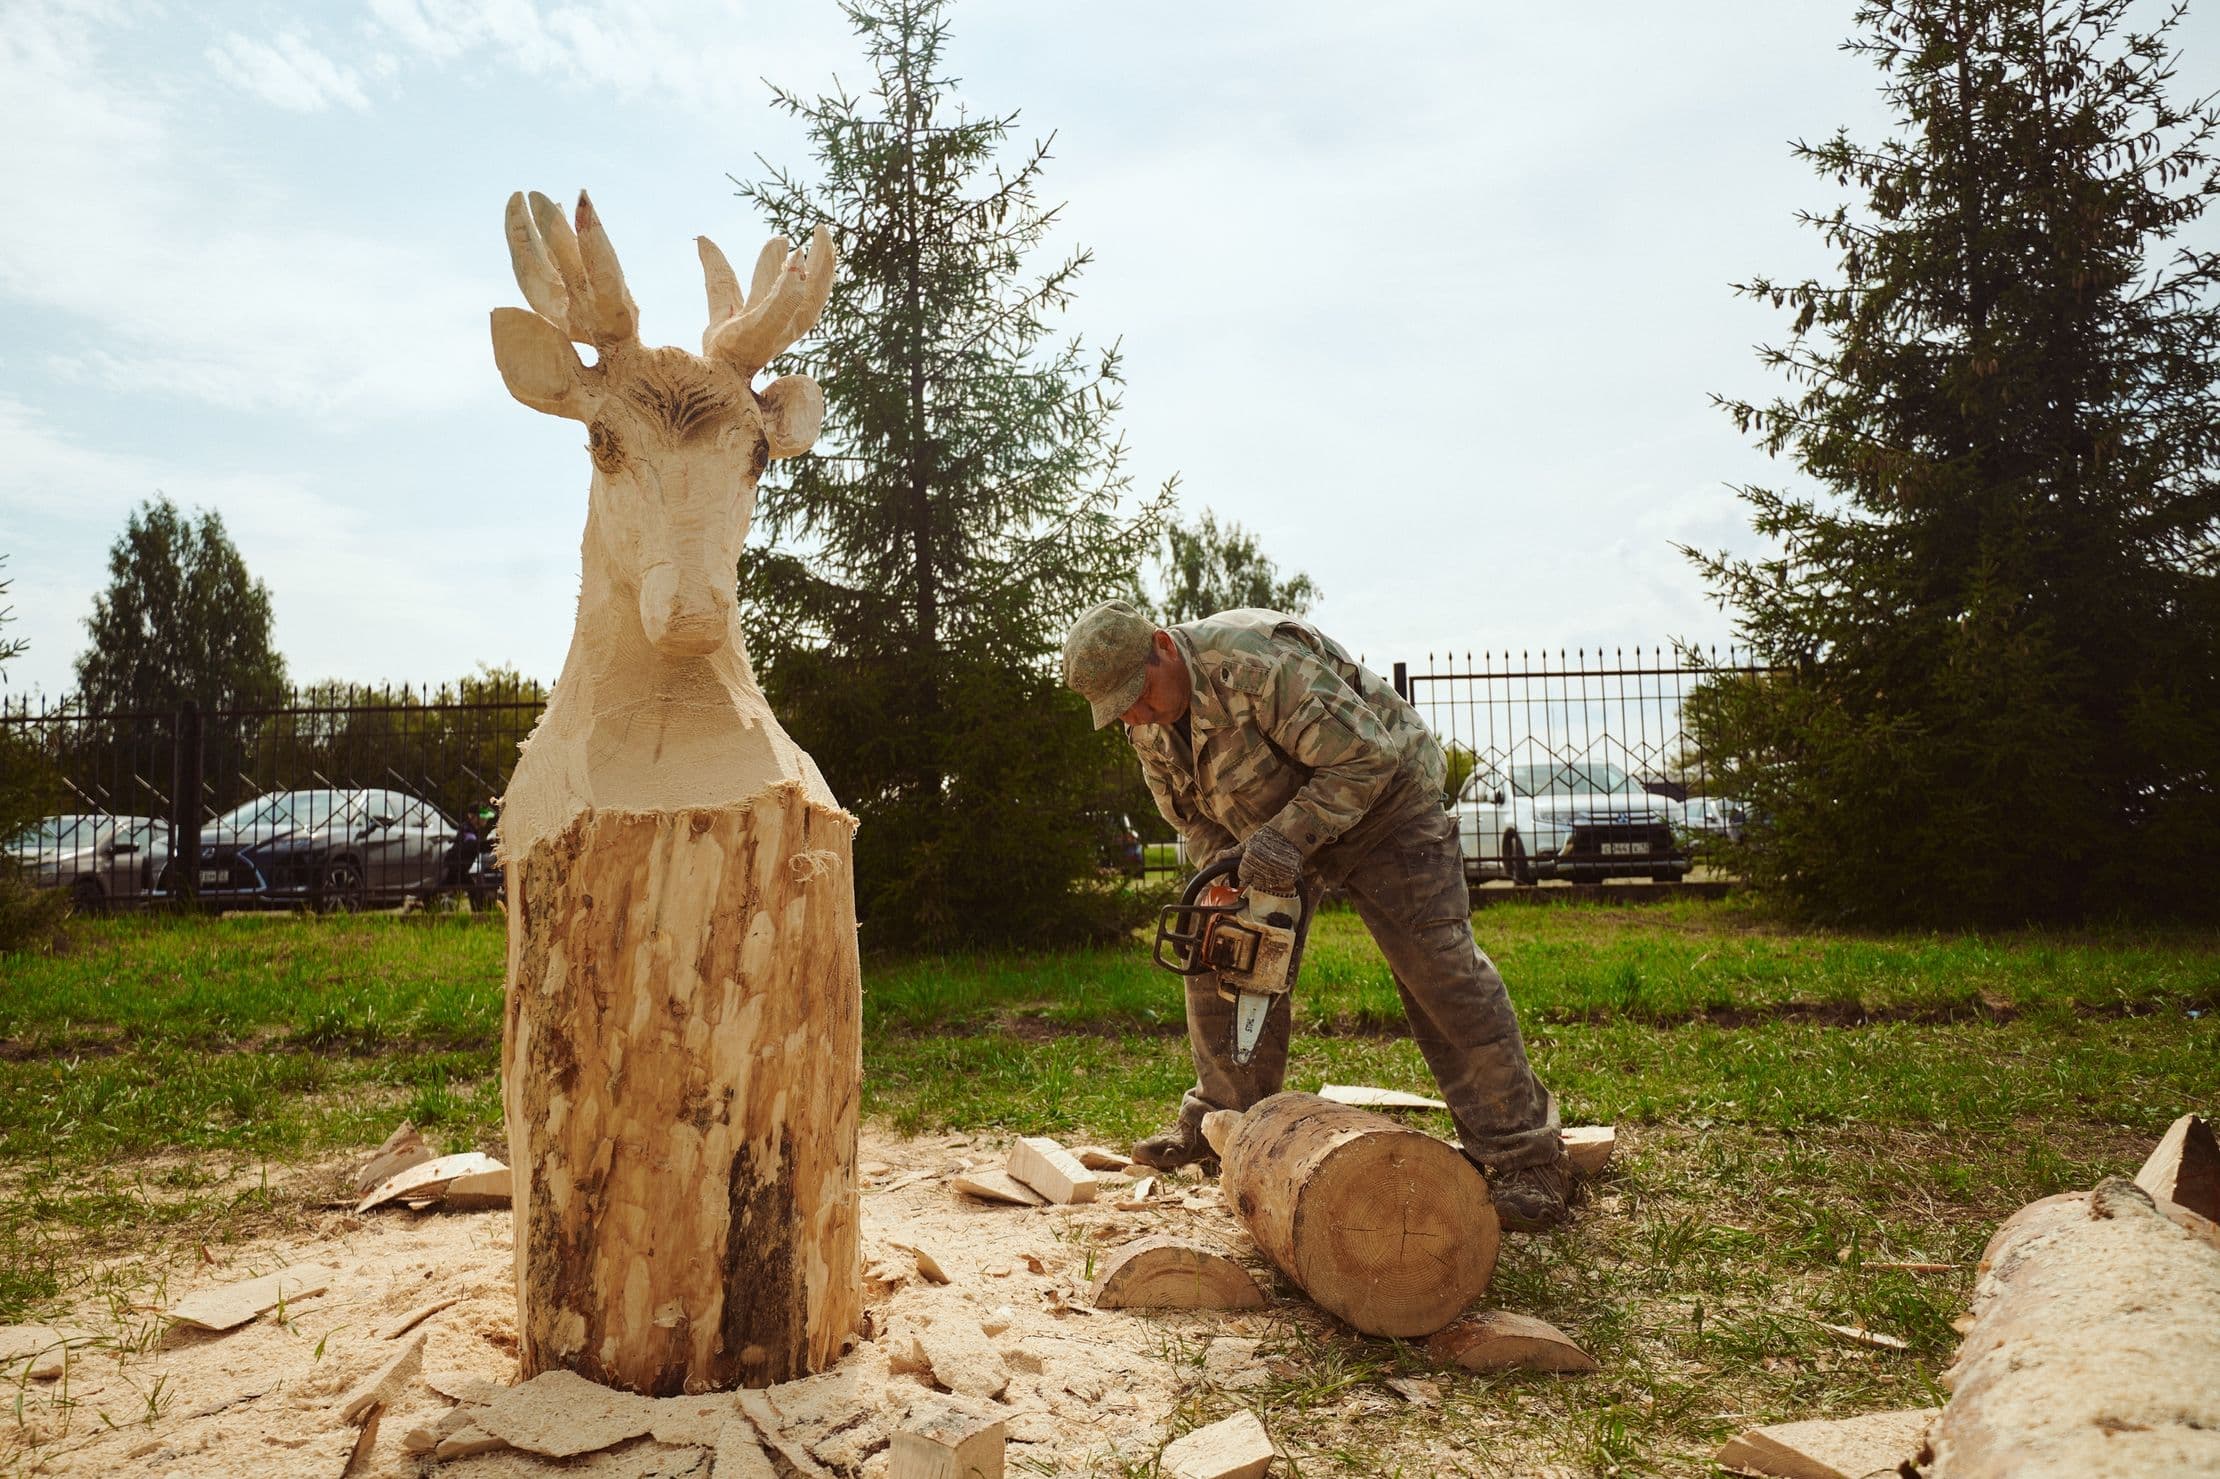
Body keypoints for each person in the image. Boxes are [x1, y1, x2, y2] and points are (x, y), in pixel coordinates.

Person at [1061, 600, 1571, 1231]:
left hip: (1387, 809)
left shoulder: (1255, 665)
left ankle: (1526, 1155)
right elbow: (1191, 817)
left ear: (1162, 647)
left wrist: (1286, 839)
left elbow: (1366, 758)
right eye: (1119, 709)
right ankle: (1223, 1122)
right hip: (1270, 834)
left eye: (1138, 694)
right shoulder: (1147, 723)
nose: (1135, 715)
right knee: (1224, 948)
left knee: (1438, 969)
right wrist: (1228, 874)